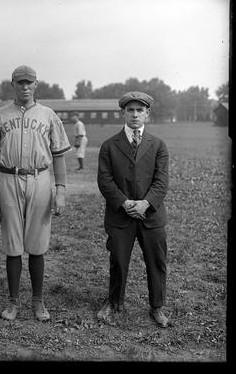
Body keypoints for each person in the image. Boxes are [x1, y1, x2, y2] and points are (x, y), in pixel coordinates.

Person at [0, 65, 71, 321]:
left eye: (29, 82)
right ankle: (13, 302)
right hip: (8, 178)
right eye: (20, 83)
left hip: (40, 177)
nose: (25, 87)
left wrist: (60, 190)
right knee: (12, 245)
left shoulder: (48, 115)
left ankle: (38, 301)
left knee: (37, 244)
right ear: (13, 85)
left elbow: (59, 156)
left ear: (36, 84)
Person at [96, 91, 170, 328]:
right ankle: (114, 303)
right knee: (118, 260)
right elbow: (105, 181)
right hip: (121, 215)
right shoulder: (109, 145)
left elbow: (161, 181)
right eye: (130, 110)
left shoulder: (158, 145)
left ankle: (157, 307)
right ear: (123, 113)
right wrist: (126, 203)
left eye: (140, 110)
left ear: (147, 113)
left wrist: (145, 204)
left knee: (156, 261)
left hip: (152, 216)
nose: (135, 114)